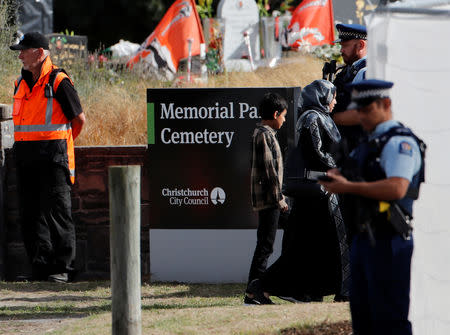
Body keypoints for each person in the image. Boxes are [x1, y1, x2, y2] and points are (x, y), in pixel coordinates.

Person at [320, 79, 425, 335]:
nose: (361, 117)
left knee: (389, 318)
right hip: (364, 237)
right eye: (359, 110)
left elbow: (397, 188)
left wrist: (348, 187)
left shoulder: (400, 143)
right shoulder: (367, 145)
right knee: (364, 317)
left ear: (386, 104)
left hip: (389, 238)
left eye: (367, 110)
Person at [246, 80, 349, 304]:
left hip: (320, 192)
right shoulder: (312, 118)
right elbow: (316, 151)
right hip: (313, 194)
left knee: (310, 248)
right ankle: (260, 286)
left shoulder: (319, 117)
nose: (335, 101)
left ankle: (309, 291)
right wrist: (339, 166)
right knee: (302, 248)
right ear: (322, 96)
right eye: (332, 96)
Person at [10, 32, 86, 283]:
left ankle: (63, 269)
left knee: (58, 214)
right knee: (31, 215)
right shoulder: (20, 83)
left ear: (40, 53)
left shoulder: (59, 81)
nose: (19, 55)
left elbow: (79, 119)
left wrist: (61, 145)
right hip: (25, 158)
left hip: (53, 157)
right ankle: (41, 270)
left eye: (24, 50)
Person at [244, 92, 289, 305]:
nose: (285, 120)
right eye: (284, 116)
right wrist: (280, 200)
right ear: (275, 113)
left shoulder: (267, 133)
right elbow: (269, 172)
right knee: (265, 246)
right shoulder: (263, 134)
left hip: (273, 200)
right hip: (270, 201)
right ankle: (254, 292)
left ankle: (258, 290)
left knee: (268, 244)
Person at [331, 23, 368, 153]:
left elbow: (362, 115)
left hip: (358, 145)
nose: (341, 50)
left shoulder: (366, 72)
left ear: (361, 45)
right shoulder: (348, 71)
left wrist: (327, 117)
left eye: (345, 45)